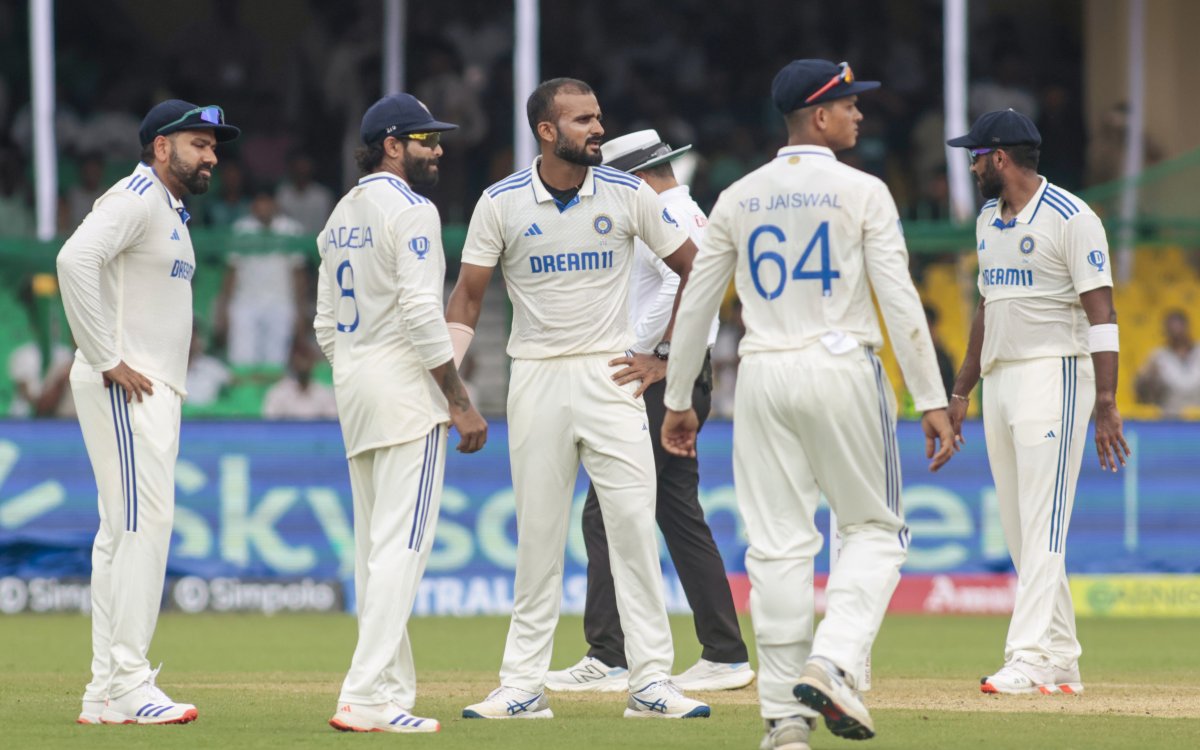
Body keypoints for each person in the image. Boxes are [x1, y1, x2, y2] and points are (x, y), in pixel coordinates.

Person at [661, 60, 957, 749]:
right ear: (818, 117)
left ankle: (784, 723)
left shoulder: (737, 195)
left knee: (777, 550)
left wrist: (679, 399)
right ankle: (836, 660)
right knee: (877, 531)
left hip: (762, 373)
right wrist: (931, 397)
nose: (860, 115)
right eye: (850, 104)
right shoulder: (864, 191)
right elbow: (899, 299)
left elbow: (699, 303)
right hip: (840, 364)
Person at [448, 77, 710, 721]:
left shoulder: (626, 193)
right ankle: (522, 686)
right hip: (534, 376)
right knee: (538, 536)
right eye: (585, 120)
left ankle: (651, 683)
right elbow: (467, 299)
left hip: (612, 374)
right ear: (547, 131)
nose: (598, 129)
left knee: (631, 532)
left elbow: (697, 270)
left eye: (598, 117)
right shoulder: (501, 201)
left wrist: (667, 358)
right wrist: (451, 390)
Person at [546, 129, 752, 695]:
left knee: (604, 513)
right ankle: (723, 652)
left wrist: (651, 350)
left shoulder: (661, 210)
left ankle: (610, 654)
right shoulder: (688, 208)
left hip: (661, 379)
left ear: (632, 176)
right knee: (677, 512)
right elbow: (699, 291)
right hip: (682, 374)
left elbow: (678, 284)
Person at [57, 98, 240, 725]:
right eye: (199, 144)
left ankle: (106, 689)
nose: (211, 155)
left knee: (122, 535)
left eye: (214, 146)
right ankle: (131, 683)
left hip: (149, 387)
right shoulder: (136, 197)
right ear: (161, 147)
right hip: (127, 386)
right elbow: (73, 260)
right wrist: (106, 355)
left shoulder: (169, 210)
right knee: (141, 528)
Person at [316, 93, 487, 734]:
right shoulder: (413, 211)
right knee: (402, 549)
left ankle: (389, 692)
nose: (438, 151)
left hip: (356, 390)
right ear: (393, 144)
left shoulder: (340, 215)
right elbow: (421, 313)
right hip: (407, 397)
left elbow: (325, 326)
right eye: (426, 140)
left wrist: (360, 368)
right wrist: (458, 400)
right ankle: (363, 697)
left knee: (375, 553)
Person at [945, 109, 1131, 696]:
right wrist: (961, 389)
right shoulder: (986, 220)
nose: (971, 164)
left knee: (1044, 521)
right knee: (1022, 529)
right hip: (1000, 379)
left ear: (1000, 158)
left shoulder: (1073, 218)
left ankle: (1025, 657)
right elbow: (986, 307)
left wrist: (1106, 399)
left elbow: (1103, 314)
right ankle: (1059, 657)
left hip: (1057, 373)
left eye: (976, 155)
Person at [217, 187, 307, 367]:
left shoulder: (291, 230)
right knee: (242, 360)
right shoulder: (241, 229)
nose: (263, 207)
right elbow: (231, 272)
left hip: (281, 303)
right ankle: (244, 396)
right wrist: (223, 309)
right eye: (259, 203)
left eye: (267, 203)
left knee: (276, 361)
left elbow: (298, 274)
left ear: (275, 205)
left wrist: (301, 311)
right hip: (245, 303)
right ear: (253, 206)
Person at [1135, 310, 1200, 417]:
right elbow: (1143, 396)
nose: (1176, 334)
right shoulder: (1157, 357)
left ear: (1187, 328)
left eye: (1179, 328)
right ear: (1165, 332)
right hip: (1170, 419)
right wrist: (1149, 379)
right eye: (1171, 330)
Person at [261, 337, 338, 419]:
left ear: (312, 362)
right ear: (292, 362)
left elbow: (332, 425)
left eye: (305, 358)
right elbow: (269, 426)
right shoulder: (277, 393)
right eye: (299, 359)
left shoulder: (324, 394)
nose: (303, 363)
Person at [276, 150, 335, 235]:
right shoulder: (282, 194)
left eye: (304, 168)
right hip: (290, 243)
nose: (301, 172)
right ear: (291, 169)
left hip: (318, 243)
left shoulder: (323, 195)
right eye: (297, 168)